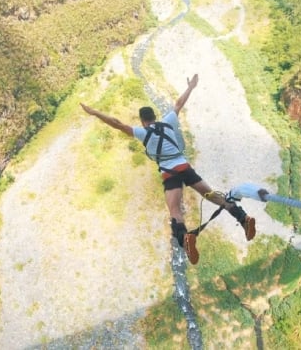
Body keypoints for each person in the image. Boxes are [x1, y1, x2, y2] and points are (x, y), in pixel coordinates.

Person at [80, 74, 256, 265]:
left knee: (174, 210)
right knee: (213, 196)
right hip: (185, 167)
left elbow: (117, 123)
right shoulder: (169, 121)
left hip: (169, 173)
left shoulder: (142, 132)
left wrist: (95, 113)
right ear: (155, 117)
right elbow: (179, 103)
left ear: (142, 120)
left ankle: (186, 239)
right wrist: (191, 87)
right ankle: (243, 218)